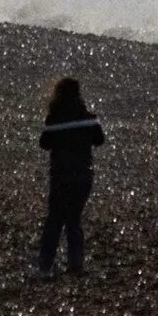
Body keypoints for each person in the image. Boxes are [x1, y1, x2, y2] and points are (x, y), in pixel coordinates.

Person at [36, 76, 107, 278]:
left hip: (61, 175)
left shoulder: (55, 118)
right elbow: (99, 140)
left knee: (55, 220)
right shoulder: (88, 117)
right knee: (74, 221)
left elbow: (44, 143)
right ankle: (76, 265)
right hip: (83, 174)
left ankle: (45, 267)